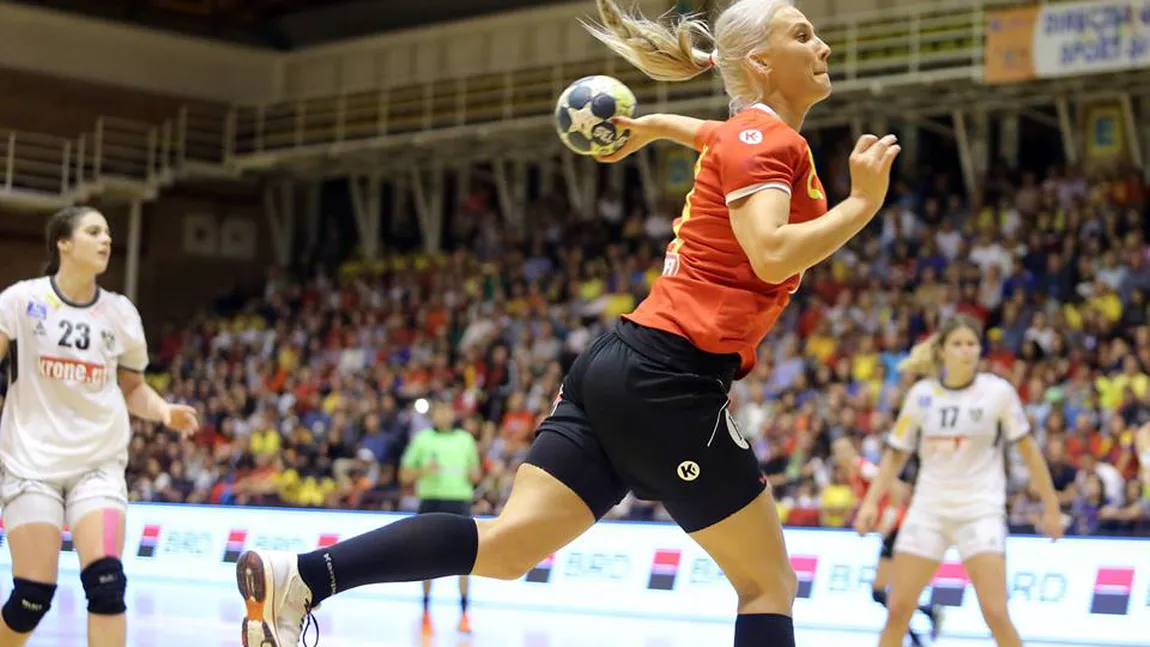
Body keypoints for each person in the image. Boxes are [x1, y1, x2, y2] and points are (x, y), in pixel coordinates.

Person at [236, 1, 901, 645]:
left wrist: (649, 127)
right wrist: (863, 203)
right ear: (759, 62)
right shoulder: (771, 141)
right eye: (803, 34)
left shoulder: (742, 133)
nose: (823, 47)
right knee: (767, 583)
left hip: (614, 365)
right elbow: (772, 249)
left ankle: (303, 576)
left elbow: (707, 133)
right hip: (672, 381)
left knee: (506, 546)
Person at [0, 206, 198, 647]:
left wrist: (164, 411)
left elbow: (133, 388)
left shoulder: (120, 313)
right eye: (93, 232)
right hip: (30, 465)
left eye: (108, 233)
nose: (106, 239)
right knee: (32, 595)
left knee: (107, 584)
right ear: (63, 243)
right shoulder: (20, 301)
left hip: (98, 466)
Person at [854, 315, 1063, 647]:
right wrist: (869, 504)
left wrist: (1052, 508)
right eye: (958, 344)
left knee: (995, 613)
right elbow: (896, 455)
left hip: (980, 510)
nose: (966, 351)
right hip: (929, 510)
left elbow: (1030, 451)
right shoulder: (922, 395)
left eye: (972, 344)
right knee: (897, 610)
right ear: (942, 351)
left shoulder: (997, 392)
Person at [831, 438, 940, 646]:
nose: (840, 456)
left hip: (897, 529)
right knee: (884, 592)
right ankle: (923, 621)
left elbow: (897, 489)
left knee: (882, 592)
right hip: (893, 530)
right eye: (837, 452)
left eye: (843, 450)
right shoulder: (853, 474)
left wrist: (888, 520)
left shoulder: (862, 467)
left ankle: (920, 627)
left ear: (851, 450)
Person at [399, 401, 481, 637]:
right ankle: (426, 612)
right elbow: (404, 474)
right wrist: (424, 470)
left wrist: (473, 475)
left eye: (448, 410)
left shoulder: (465, 439)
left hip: (459, 503)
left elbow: (476, 473)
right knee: (426, 560)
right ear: (434, 414)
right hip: (431, 503)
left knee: (466, 561)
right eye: (440, 410)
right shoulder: (422, 439)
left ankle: (464, 614)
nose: (445, 414)